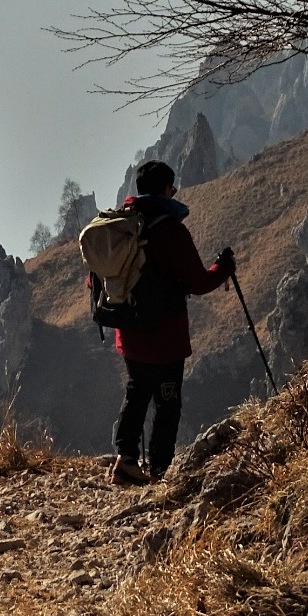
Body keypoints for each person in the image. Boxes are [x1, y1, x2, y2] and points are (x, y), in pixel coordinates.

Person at [109, 160, 234, 485]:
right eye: (172, 187)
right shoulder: (170, 230)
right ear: (165, 189)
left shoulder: (122, 227)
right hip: (165, 338)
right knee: (167, 402)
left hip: (130, 333)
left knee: (136, 394)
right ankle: (160, 471)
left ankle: (125, 460)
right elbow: (197, 282)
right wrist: (223, 269)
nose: (174, 191)